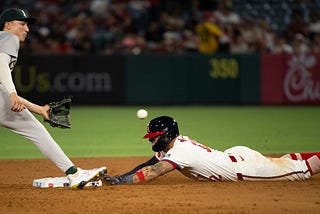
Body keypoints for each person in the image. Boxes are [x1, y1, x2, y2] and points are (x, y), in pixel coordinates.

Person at [0, 8, 106, 189]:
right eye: (22, 24)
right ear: (8, 25)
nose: (27, 29)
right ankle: (74, 173)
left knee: (33, 126)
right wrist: (12, 93)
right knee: (35, 130)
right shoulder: (7, 37)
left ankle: (74, 173)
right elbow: (1, 65)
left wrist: (39, 109)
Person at [104, 116, 320, 184]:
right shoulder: (174, 145)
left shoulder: (180, 152)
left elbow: (154, 172)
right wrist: (121, 176)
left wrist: (122, 182)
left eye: (155, 137)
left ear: (168, 134)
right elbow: (148, 164)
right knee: (281, 162)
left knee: (300, 171)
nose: (152, 141)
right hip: (234, 155)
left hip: (247, 169)